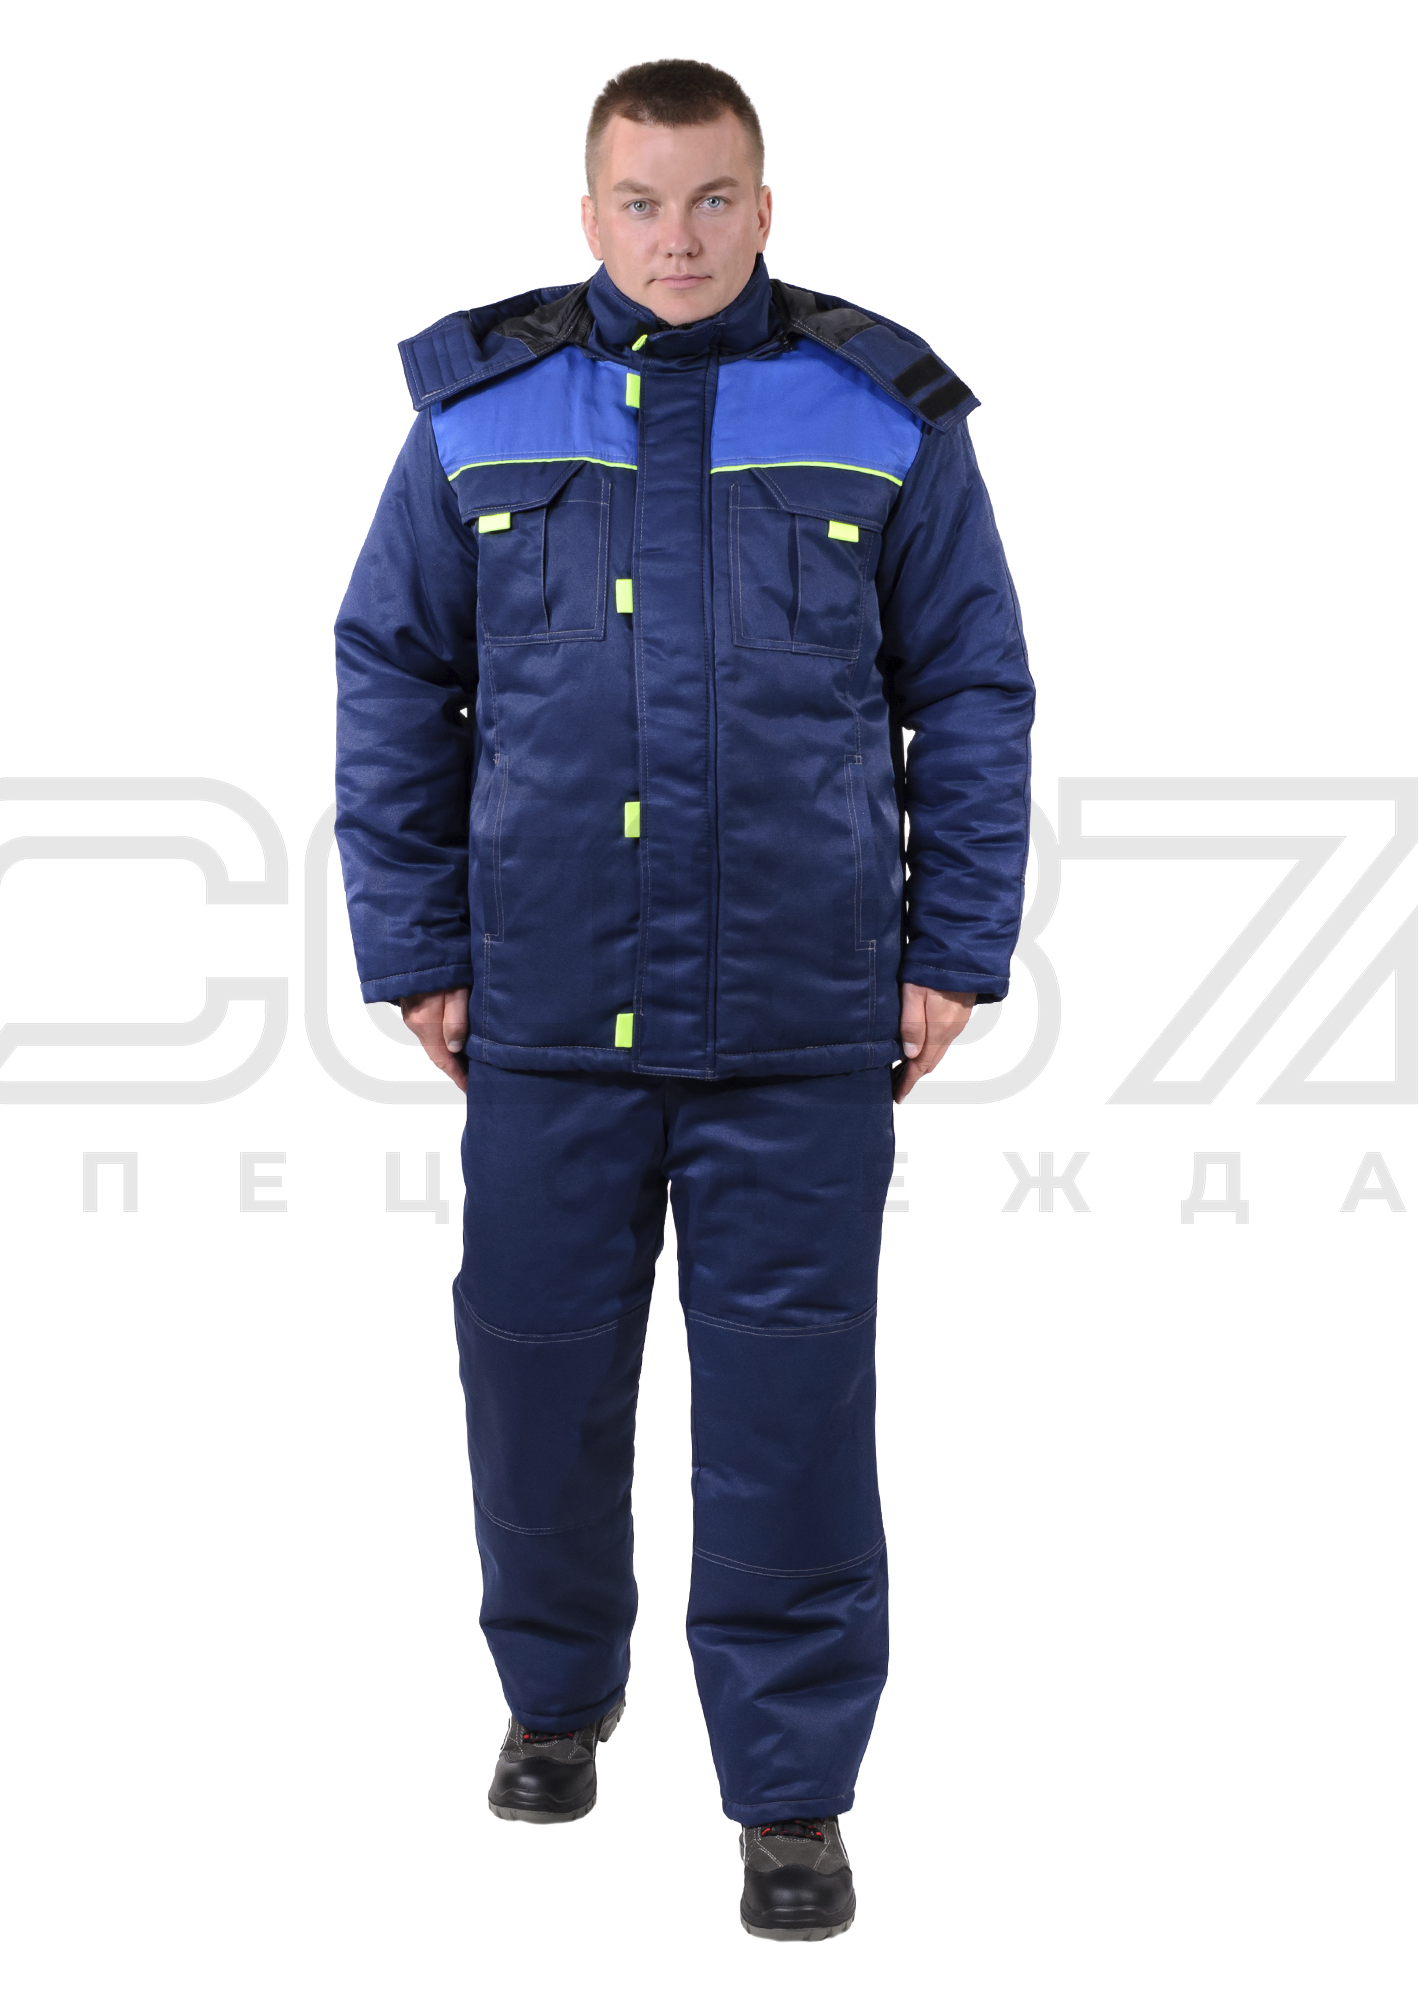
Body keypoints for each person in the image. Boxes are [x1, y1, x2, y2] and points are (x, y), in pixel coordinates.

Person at [334, 58, 1033, 1942]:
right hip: (547, 1008)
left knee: (789, 1419)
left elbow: (971, 686)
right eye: (640, 202)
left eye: (713, 199)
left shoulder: (879, 414)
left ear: (765, 206)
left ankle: (791, 1796)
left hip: (804, 1018)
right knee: (534, 1387)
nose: (677, 237)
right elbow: (392, 670)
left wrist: (952, 947)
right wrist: (417, 947)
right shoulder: (480, 419)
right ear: (589, 214)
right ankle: (557, 1698)